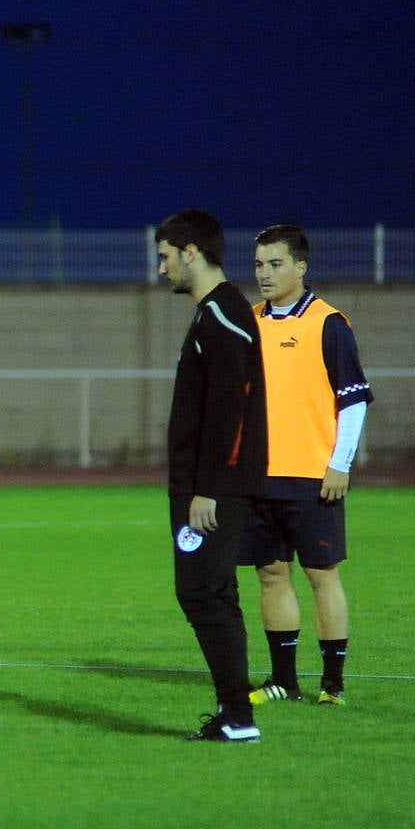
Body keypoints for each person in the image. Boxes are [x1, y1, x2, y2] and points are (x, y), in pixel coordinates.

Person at [241, 225, 372, 707]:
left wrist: (340, 464)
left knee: (322, 576)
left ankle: (332, 684)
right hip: (259, 476)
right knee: (271, 575)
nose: (264, 274)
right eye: (258, 265)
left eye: (275, 264)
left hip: (314, 477)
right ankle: (284, 680)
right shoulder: (249, 321)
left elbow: (354, 400)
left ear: (301, 266)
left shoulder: (328, 323)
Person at [156, 208, 268, 743]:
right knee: (213, 592)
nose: (161, 268)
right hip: (207, 485)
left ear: (191, 252)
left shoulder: (223, 315)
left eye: (165, 256)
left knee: (202, 592)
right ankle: (235, 714)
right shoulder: (213, 314)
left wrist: (208, 488)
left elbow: (232, 407)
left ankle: (237, 716)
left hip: (212, 490)